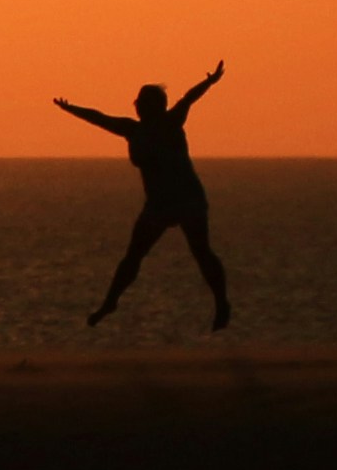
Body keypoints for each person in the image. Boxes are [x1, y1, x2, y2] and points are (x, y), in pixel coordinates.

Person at [53, 61, 231, 332]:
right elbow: (100, 118)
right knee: (133, 255)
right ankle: (110, 302)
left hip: (187, 199)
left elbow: (189, 98)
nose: (135, 105)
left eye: (140, 101)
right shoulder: (132, 130)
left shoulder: (172, 121)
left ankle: (221, 304)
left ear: (152, 106)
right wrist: (70, 109)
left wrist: (210, 82)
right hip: (158, 204)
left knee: (201, 252)